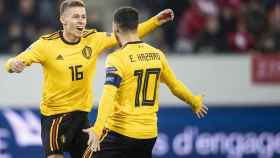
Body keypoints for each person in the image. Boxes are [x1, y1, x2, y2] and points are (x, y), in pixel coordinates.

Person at [4, 0, 174, 157]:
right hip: (56, 117)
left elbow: (126, 34)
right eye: (76, 16)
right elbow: (14, 61)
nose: (81, 21)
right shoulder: (46, 44)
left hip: (81, 117)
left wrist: (155, 22)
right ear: (63, 19)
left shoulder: (92, 39)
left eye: (83, 16)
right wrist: (14, 65)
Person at [83, 7, 208, 158]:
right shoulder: (157, 55)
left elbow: (108, 95)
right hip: (148, 136)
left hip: (120, 133)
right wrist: (194, 101)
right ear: (136, 26)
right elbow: (175, 86)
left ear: (115, 28)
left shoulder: (117, 58)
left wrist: (97, 129)